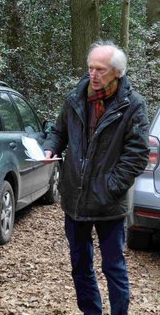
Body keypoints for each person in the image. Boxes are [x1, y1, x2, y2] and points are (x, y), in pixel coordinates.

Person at [43, 41, 150, 315]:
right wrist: (50, 147)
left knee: (113, 266)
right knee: (80, 264)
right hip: (75, 199)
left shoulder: (132, 106)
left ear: (117, 72)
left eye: (100, 69)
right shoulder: (75, 98)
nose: (93, 74)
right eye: (90, 67)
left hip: (108, 203)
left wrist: (110, 188)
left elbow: (136, 155)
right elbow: (59, 132)